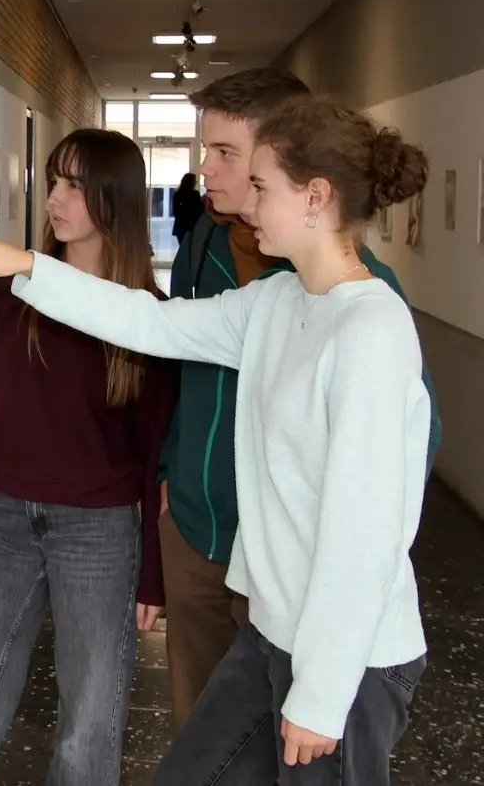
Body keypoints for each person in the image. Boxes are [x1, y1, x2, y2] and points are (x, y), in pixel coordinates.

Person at [0, 97, 432, 784]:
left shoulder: (371, 331)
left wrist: (320, 694)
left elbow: (364, 534)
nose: (247, 204)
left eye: (261, 187)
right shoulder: (276, 302)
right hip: (275, 633)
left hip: (349, 657)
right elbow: (149, 323)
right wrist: (23, 265)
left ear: (316, 197)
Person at [155, 67, 441, 727]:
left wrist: (331, 572)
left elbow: (388, 481)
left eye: (227, 154)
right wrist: (172, 469)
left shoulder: (363, 307)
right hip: (200, 534)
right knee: (201, 735)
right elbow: (174, 350)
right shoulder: (210, 249)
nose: (207, 169)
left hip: (291, 575)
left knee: (286, 741)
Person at [0, 130, 179, 786]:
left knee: (90, 724)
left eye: (74, 185)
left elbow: (154, 456)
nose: (55, 198)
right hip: (0, 520)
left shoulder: (147, 315)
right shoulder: (12, 291)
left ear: (113, 199)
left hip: (100, 530)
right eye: (54, 181)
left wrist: (151, 574)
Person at [171, 173, 202, 244]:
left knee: (183, 246)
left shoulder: (177, 194)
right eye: (195, 181)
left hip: (180, 227)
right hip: (192, 226)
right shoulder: (195, 194)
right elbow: (199, 210)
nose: (195, 183)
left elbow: (175, 212)